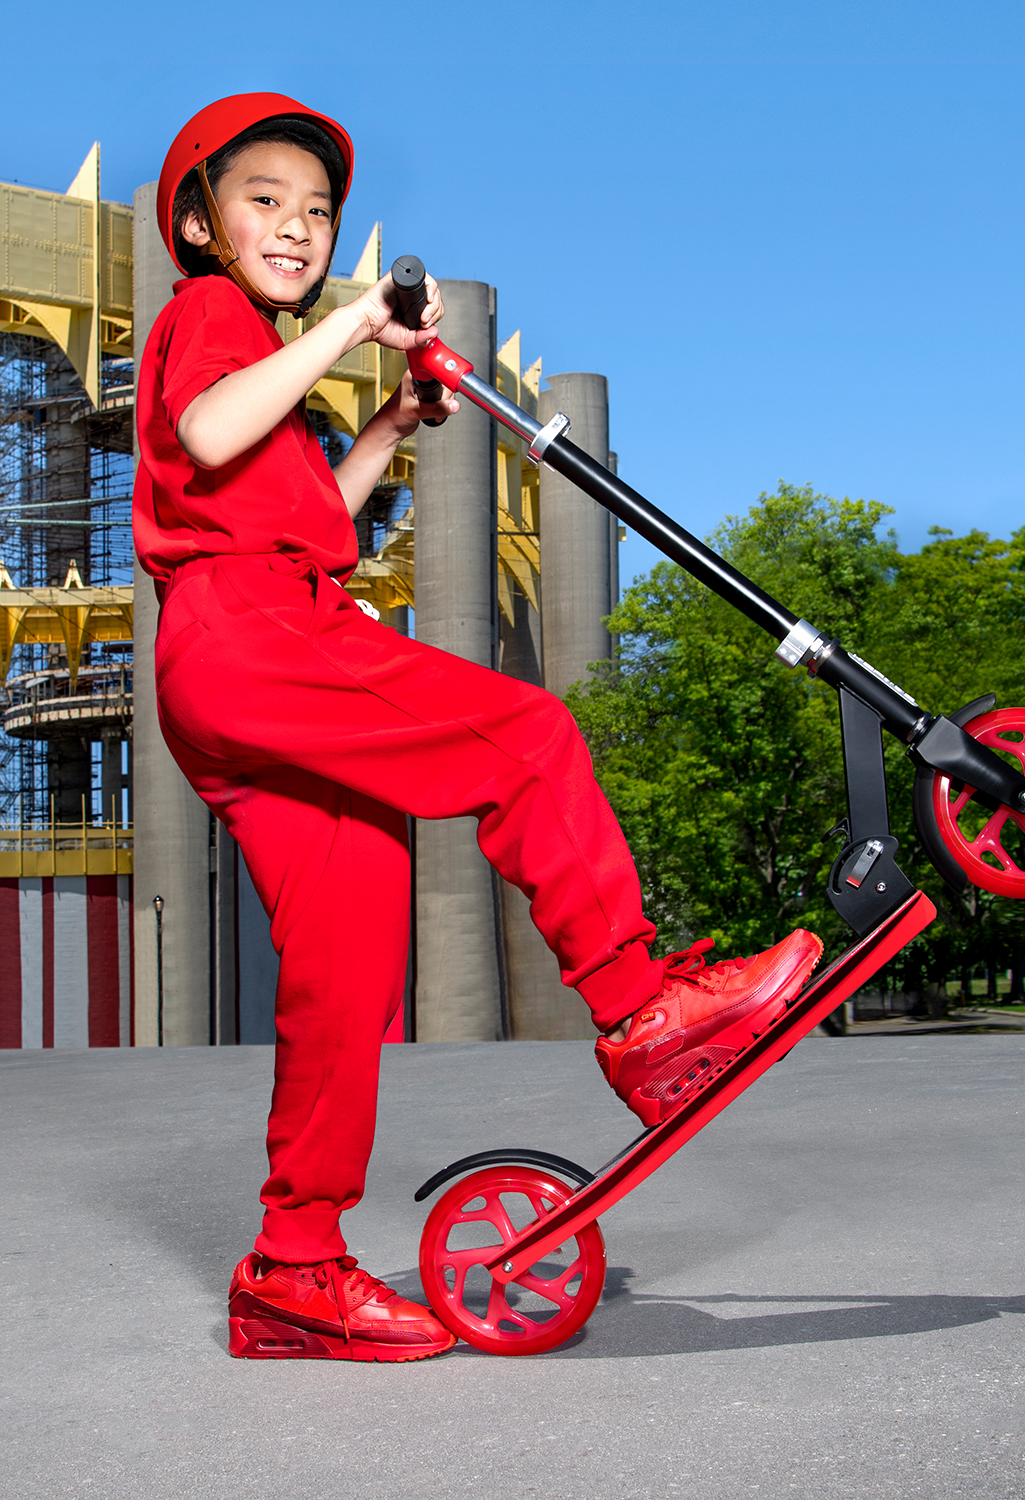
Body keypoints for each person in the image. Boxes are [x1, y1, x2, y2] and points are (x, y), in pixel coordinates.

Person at [135, 93, 823, 1363]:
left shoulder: (266, 375)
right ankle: (642, 1015)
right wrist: (353, 323)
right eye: (264, 200)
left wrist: (390, 423)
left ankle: (293, 1269)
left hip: (248, 640)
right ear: (199, 221)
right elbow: (203, 431)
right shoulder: (207, 318)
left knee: (345, 959)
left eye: (319, 211)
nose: (297, 225)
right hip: (250, 635)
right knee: (527, 738)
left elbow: (308, 525)